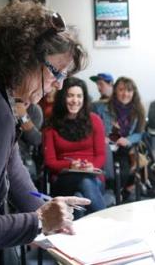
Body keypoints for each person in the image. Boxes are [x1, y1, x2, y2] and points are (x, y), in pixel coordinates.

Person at [0, 1, 89, 263]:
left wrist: (43, 210)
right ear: (25, 57)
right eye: (56, 72)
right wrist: (38, 221)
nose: (59, 84)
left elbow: (11, 164)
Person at [43, 77, 107, 216]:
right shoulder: (51, 124)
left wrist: (91, 166)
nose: (75, 100)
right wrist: (70, 166)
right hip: (63, 178)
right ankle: (107, 221)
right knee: (84, 183)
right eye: (70, 95)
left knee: (79, 198)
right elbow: (50, 161)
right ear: (62, 97)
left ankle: (78, 234)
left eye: (79, 96)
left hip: (92, 177)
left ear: (84, 99)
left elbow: (101, 155)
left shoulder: (95, 120)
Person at [107, 77, 146, 202]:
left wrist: (128, 139)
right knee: (108, 173)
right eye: (121, 90)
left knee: (123, 171)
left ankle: (120, 193)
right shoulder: (104, 108)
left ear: (133, 93)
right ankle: (112, 194)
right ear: (115, 91)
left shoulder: (138, 110)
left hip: (125, 148)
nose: (125, 94)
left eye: (129, 90)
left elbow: (139, 133)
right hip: (107, 147)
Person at [15, 102, 44, 182]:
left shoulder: (34, 110)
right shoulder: (3, 102)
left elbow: (35, 139)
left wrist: (23, 116)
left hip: (24, 159)